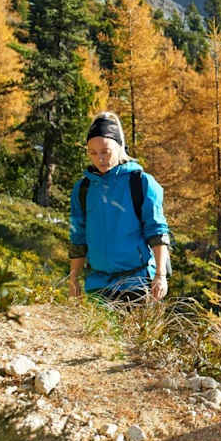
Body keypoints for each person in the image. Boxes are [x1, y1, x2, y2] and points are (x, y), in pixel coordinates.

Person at [68, 112, 171, 302]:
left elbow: (157, 231)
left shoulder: (141, 182)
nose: (100, 158)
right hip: (97, 286)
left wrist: (160, 275)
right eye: (93, 153)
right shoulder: (83, 189)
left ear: (119, 147)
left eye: (105, 151)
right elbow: (78, 237)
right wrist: (73, 280)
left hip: (138, 283)